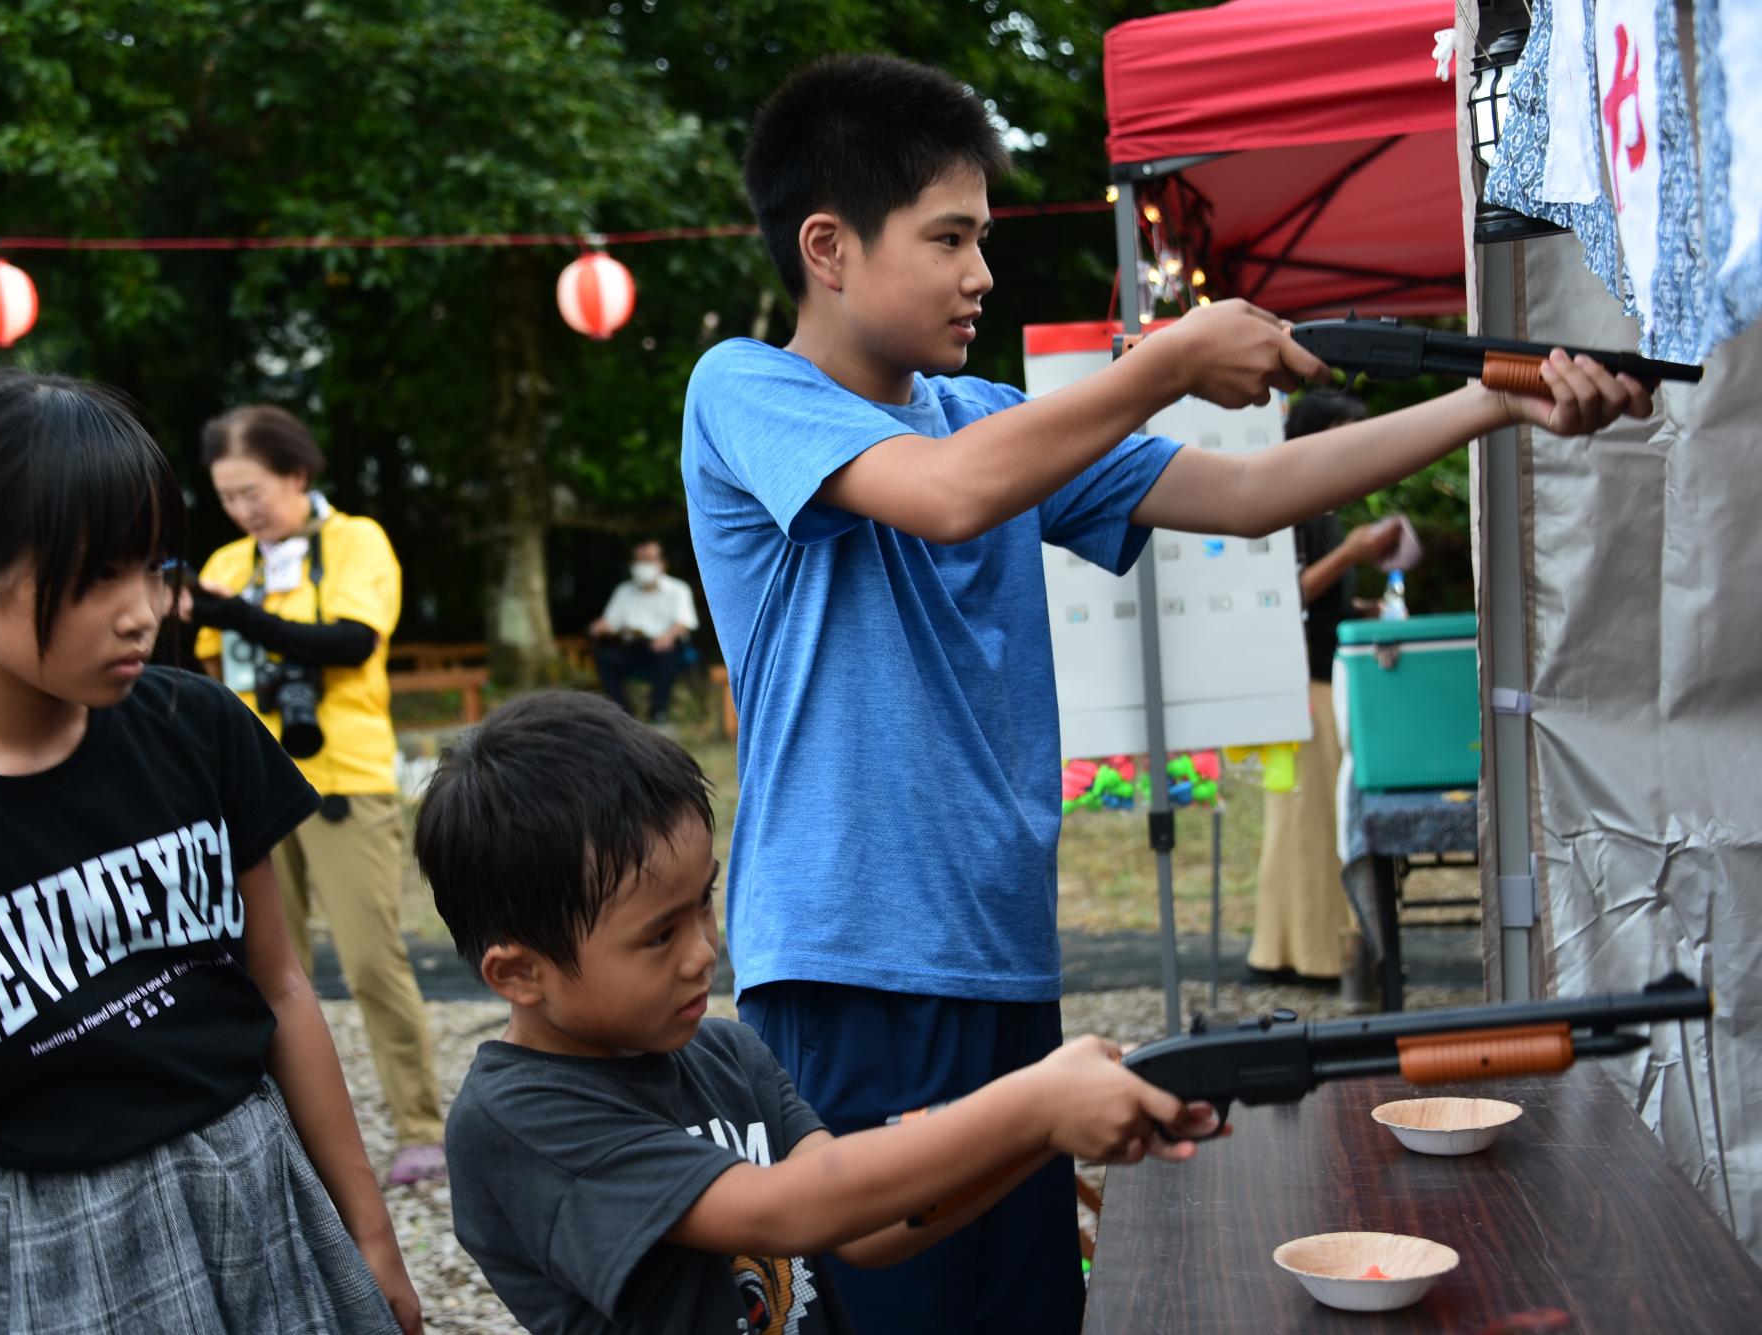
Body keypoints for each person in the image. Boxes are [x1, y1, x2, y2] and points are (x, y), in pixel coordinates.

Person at [680, 53, 1655, 1335]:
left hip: (1001, 954)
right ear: (828, 247)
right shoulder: (743, 392)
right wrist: (1169, 359)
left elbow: (1245, 496)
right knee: (883, 1310)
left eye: (983, 236)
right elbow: (944, 494)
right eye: (949, 238)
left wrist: (1493, 400)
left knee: (1022, 1309)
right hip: (853, 960)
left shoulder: (987, 412)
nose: (980, 273)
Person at [0, 369, 420, 1334]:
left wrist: (370, 1235)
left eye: (154, 568)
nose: (141, 611)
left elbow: (281, 984)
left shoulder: (196, 728)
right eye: (95, 576)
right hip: (60, 1243)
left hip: (262, 1180)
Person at [413, 691, 1221, 1334]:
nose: (704, 950)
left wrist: (1041, 1133)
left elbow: (862, 1231)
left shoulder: (727, 1056)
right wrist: (1034, 1101)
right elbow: (791, 1208)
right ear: (519, 973)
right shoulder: (516, 1120)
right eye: (659, 935)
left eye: (704, 903)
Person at [183, 404, 448, 1185]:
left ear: (298, 474)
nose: (242, 510)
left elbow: (354, 641)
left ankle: (420, 1126)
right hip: (249, 788)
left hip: (345, 777)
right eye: (228, 497)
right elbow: (203, 664)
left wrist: (242, 617)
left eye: (253, 491)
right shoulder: (228, 562)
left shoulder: (356, 540)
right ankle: (292, 1138)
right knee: (269, 966)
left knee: (371, 960)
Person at [1247, 391, 1403, 984]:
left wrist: (1362, 605)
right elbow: (1283, 596)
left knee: (1313, 821)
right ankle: (1302, 954)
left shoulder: (1322, 505)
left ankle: (1303, 949)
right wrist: (1353, 554)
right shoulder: (1288, 502)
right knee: (1304, 822)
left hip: (1322, 678)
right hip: (1298, 684)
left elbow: (1319, 599)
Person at [590, 538, 700, 723]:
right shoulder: (623, 591)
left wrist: (667, 637)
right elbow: (610, 623)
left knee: (666, 654)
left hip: (666, 648)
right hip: (632, 647)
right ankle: (623, 713)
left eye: (648, 560)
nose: (642, 565)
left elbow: (685, 622)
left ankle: (658, 710)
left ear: (662, 564)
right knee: (605, 657)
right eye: (638, 560)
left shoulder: (678, 589)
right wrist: (600, 627)